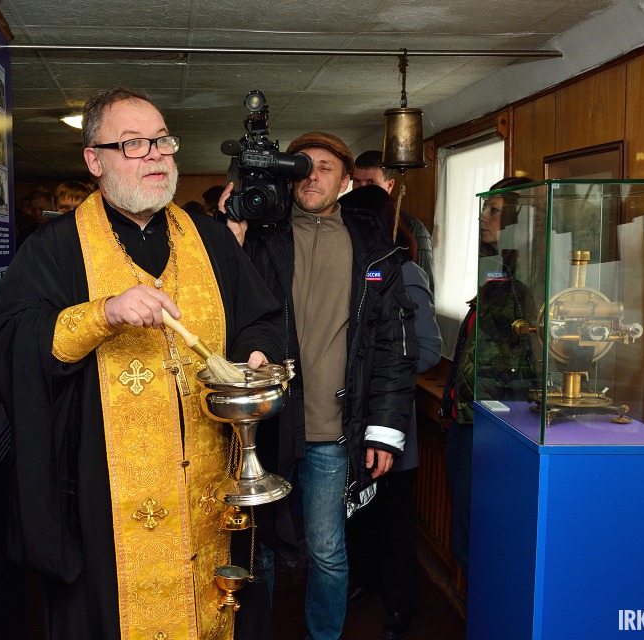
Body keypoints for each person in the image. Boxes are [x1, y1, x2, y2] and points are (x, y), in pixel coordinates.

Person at [0, 86, 286, 640]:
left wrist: (252, 355)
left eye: (163, 141)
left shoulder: (212, 240)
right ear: (94, 161)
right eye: (133, 143)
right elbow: (10, 342)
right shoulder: (54, 248)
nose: (155, 154)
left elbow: (260, 318)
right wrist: (103, 315)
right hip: (103, 491)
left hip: (206, 478)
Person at [223, 132, 418, 640]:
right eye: (302, 167)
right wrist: (231, 238)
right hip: (265, 427)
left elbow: (393, 351)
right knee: (257, 549)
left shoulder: (375, 251)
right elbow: (218, 313)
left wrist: (383, 432)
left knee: (328, 552)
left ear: (346, 180)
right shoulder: (261, 238)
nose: (312, 176)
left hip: (333, 433)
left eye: (325, 168)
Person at [342, 185, 442, 640]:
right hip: (349, 423)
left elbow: (428, 351)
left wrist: (376, 368)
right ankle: (365, 581)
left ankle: (400, 606)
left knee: (396, 521)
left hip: (392, 422)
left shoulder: (405, 272)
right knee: (358, 516)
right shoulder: (350, 269)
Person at [441, 176, 536, 575]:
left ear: (519, 220)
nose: (484, 218)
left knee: (475, 535)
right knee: (463, 530)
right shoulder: (496, 273)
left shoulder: (529, 285)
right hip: (467, 416)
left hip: (498, 422)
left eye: (495, 212)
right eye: (485, 209)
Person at [340, 150, 435, 291]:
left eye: (371, 182)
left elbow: (422, 287)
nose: (362, 189)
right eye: (357, 181)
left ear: (389, 185)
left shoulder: (412, 228)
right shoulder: (342, 220)